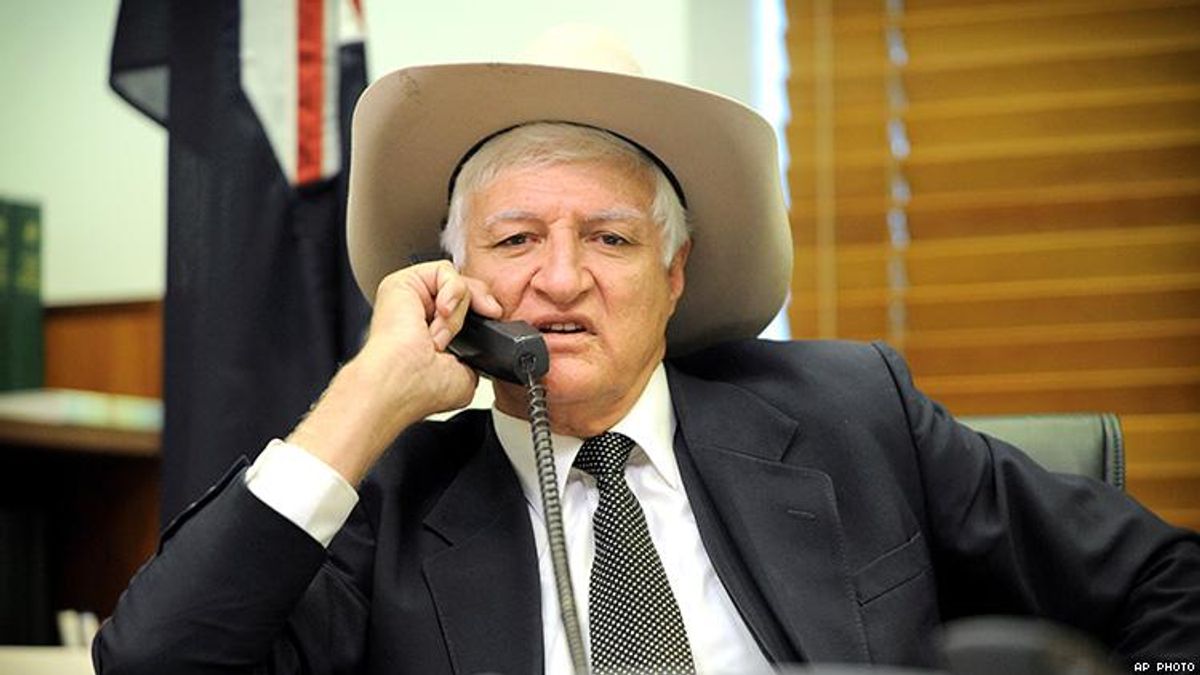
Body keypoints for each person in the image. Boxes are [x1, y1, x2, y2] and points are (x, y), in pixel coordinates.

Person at [94, 28, 1198, 675]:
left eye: (611, 240)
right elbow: (155, 662)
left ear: (675, 274)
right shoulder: (385, 501)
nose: (561, 278)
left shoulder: (855, 412)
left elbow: (1166, 581)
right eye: (514, 241)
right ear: (454, 279)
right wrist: (369, 395)